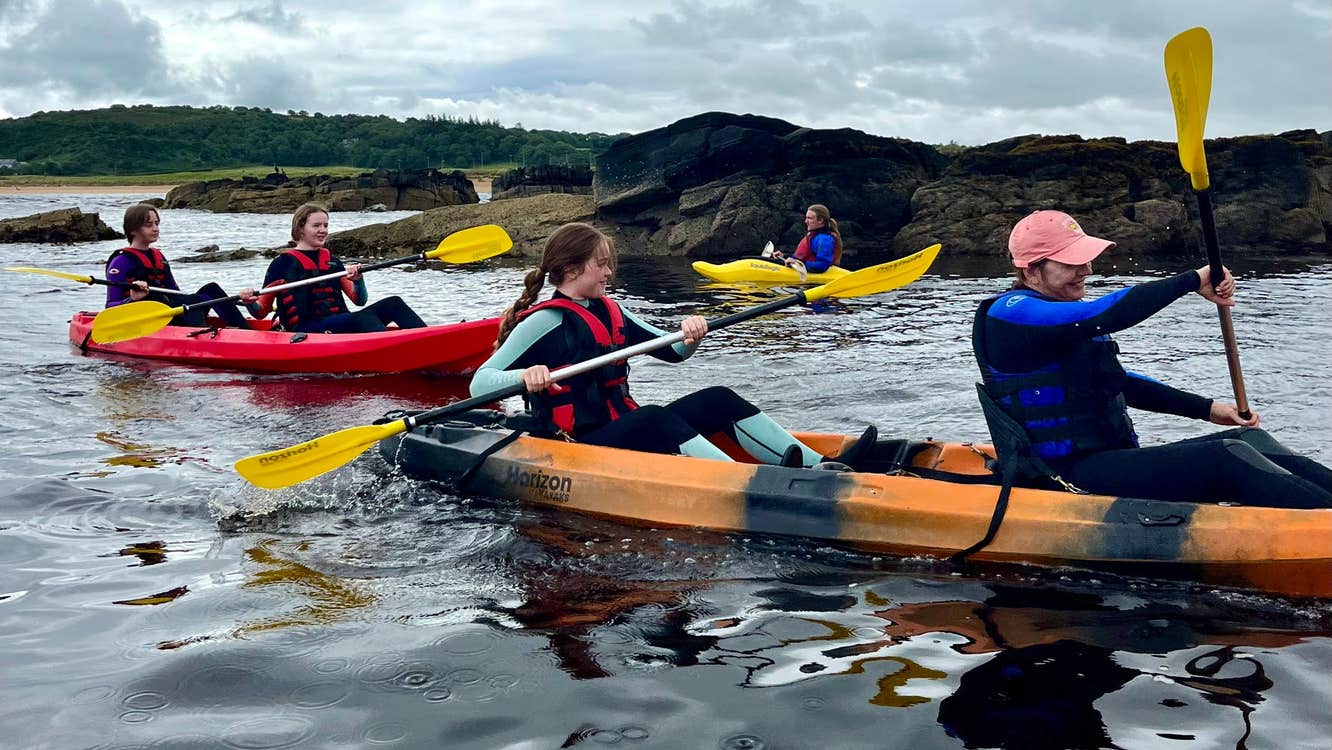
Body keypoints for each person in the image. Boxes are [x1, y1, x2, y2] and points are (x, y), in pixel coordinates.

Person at [971, 209, 1332, 508]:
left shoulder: (1065, 314)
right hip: (1058, 472)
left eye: (1087, 260)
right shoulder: (1011, 313)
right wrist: (1194, 279)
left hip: (1107, 459)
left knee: (1251, 440)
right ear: (1031, 270)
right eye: (1072, 263)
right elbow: (1110, 313)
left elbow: (1119, 384)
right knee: (1228, 458)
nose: (1088, 270)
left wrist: (1208, 409)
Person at [471, 222, 876, 467]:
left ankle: (821, 467)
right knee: (653, 418)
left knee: (717, 398)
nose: (609, 272)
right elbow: (480, 383)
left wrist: (691, 335)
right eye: (602, 264)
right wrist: (526, 375)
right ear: (572, 269)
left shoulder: (613, 311)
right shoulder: (544, 321)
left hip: (620, 429)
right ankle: (747, 482)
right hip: (576, 445)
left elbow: (671, 351)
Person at [244, 203, 427, 333]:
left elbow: (359, 300)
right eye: (316, 225)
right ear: (300, 229)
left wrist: (358, 280)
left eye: (325, 225)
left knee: (393, 303)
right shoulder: (282, 264)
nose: (323, 230)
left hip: (341, 323)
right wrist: (249, 301)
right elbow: (261, 312)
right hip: (306, 330)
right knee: (361, 318)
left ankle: (426, 340)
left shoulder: (332, 261)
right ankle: (392, 350)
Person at [105, 203, 251, 329]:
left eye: (157, 223)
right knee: (159, 297)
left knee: (211, 290)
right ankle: (200, 336)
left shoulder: (159, 257)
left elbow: (175, 293)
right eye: (148, 225)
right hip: (147, 318)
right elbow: (110, 306)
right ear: (132, 230)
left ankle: (245, 332)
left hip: (171, 313)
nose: (155, 229)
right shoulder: (121, 261)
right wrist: (132, 299)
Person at [769, 204, 843, 273]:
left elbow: (822, 265)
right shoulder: (813, 235)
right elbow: (802, 257)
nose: (806, 221)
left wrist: (798, 264)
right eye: (806, 218)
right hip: (803, 270)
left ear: (820, 220)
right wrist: (784, 256)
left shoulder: (825, 239)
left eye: (809, 218)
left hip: (816, 277)